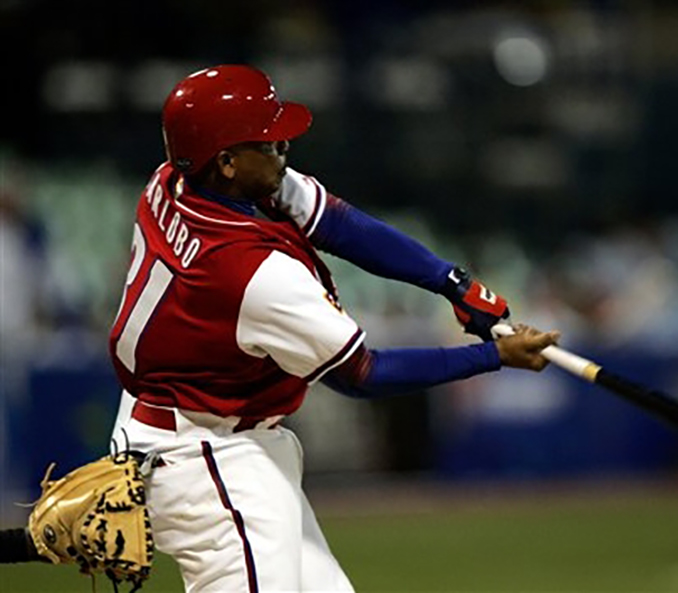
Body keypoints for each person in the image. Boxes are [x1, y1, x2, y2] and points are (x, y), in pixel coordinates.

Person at [1, 65, 558, 592]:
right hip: (208, 461)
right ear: (225, 162)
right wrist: (493, 357)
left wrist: (453, 283)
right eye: (265, 143)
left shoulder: (172, 179)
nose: (282, 148)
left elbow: (337, 221)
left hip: (194, 431)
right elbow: (363, 373)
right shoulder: (251, 274)